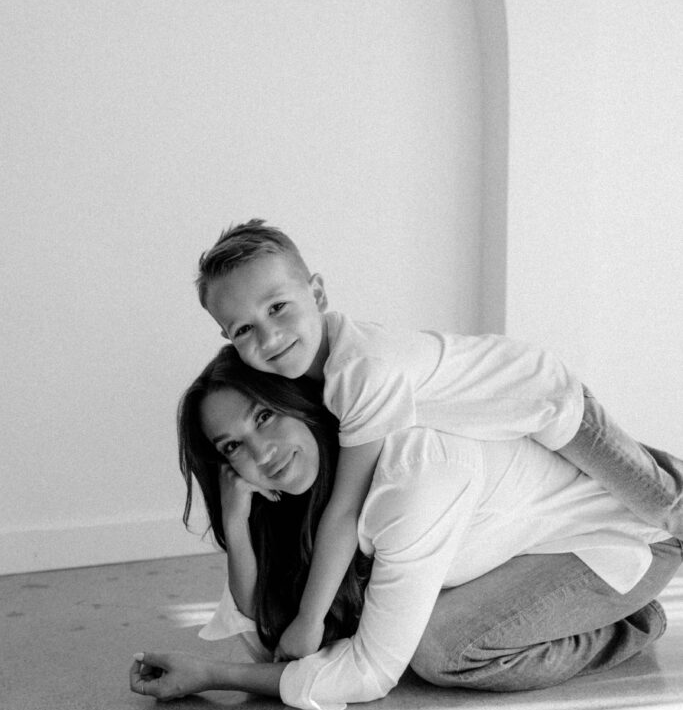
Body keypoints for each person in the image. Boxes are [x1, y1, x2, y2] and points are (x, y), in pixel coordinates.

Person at [190, 219, 683, 663]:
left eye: (278, 307)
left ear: (318, 294)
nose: (269, 336)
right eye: (244, 329)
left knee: (667, 508)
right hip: (521, 428)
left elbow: (344, 509)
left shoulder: (363, 373)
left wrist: (310, 619)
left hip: (551, 402)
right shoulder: (319, 380)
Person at [129, 346, 683, 710]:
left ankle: (630, 623)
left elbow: (371, 672)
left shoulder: (411, 473)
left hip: (622, 537)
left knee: (441, 649)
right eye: (232, 447)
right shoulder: (314, 491)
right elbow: (268, 635)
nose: (261, 453)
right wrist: (236, 522)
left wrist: (211, 675)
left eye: (264, 417)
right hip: (526, 543)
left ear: (298, 403)